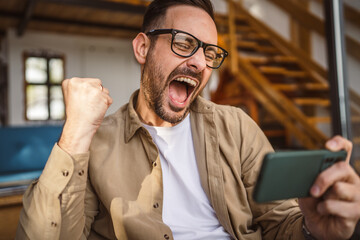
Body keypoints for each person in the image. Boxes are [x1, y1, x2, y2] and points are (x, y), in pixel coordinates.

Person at [16, 0, 360, 239]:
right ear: (142, 49)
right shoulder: (96, 142)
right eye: (184, 43)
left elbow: (278, 222)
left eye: (210, 52)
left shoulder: (236, 126)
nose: (199, 63)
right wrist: (75, 133)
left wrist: (312, 229)